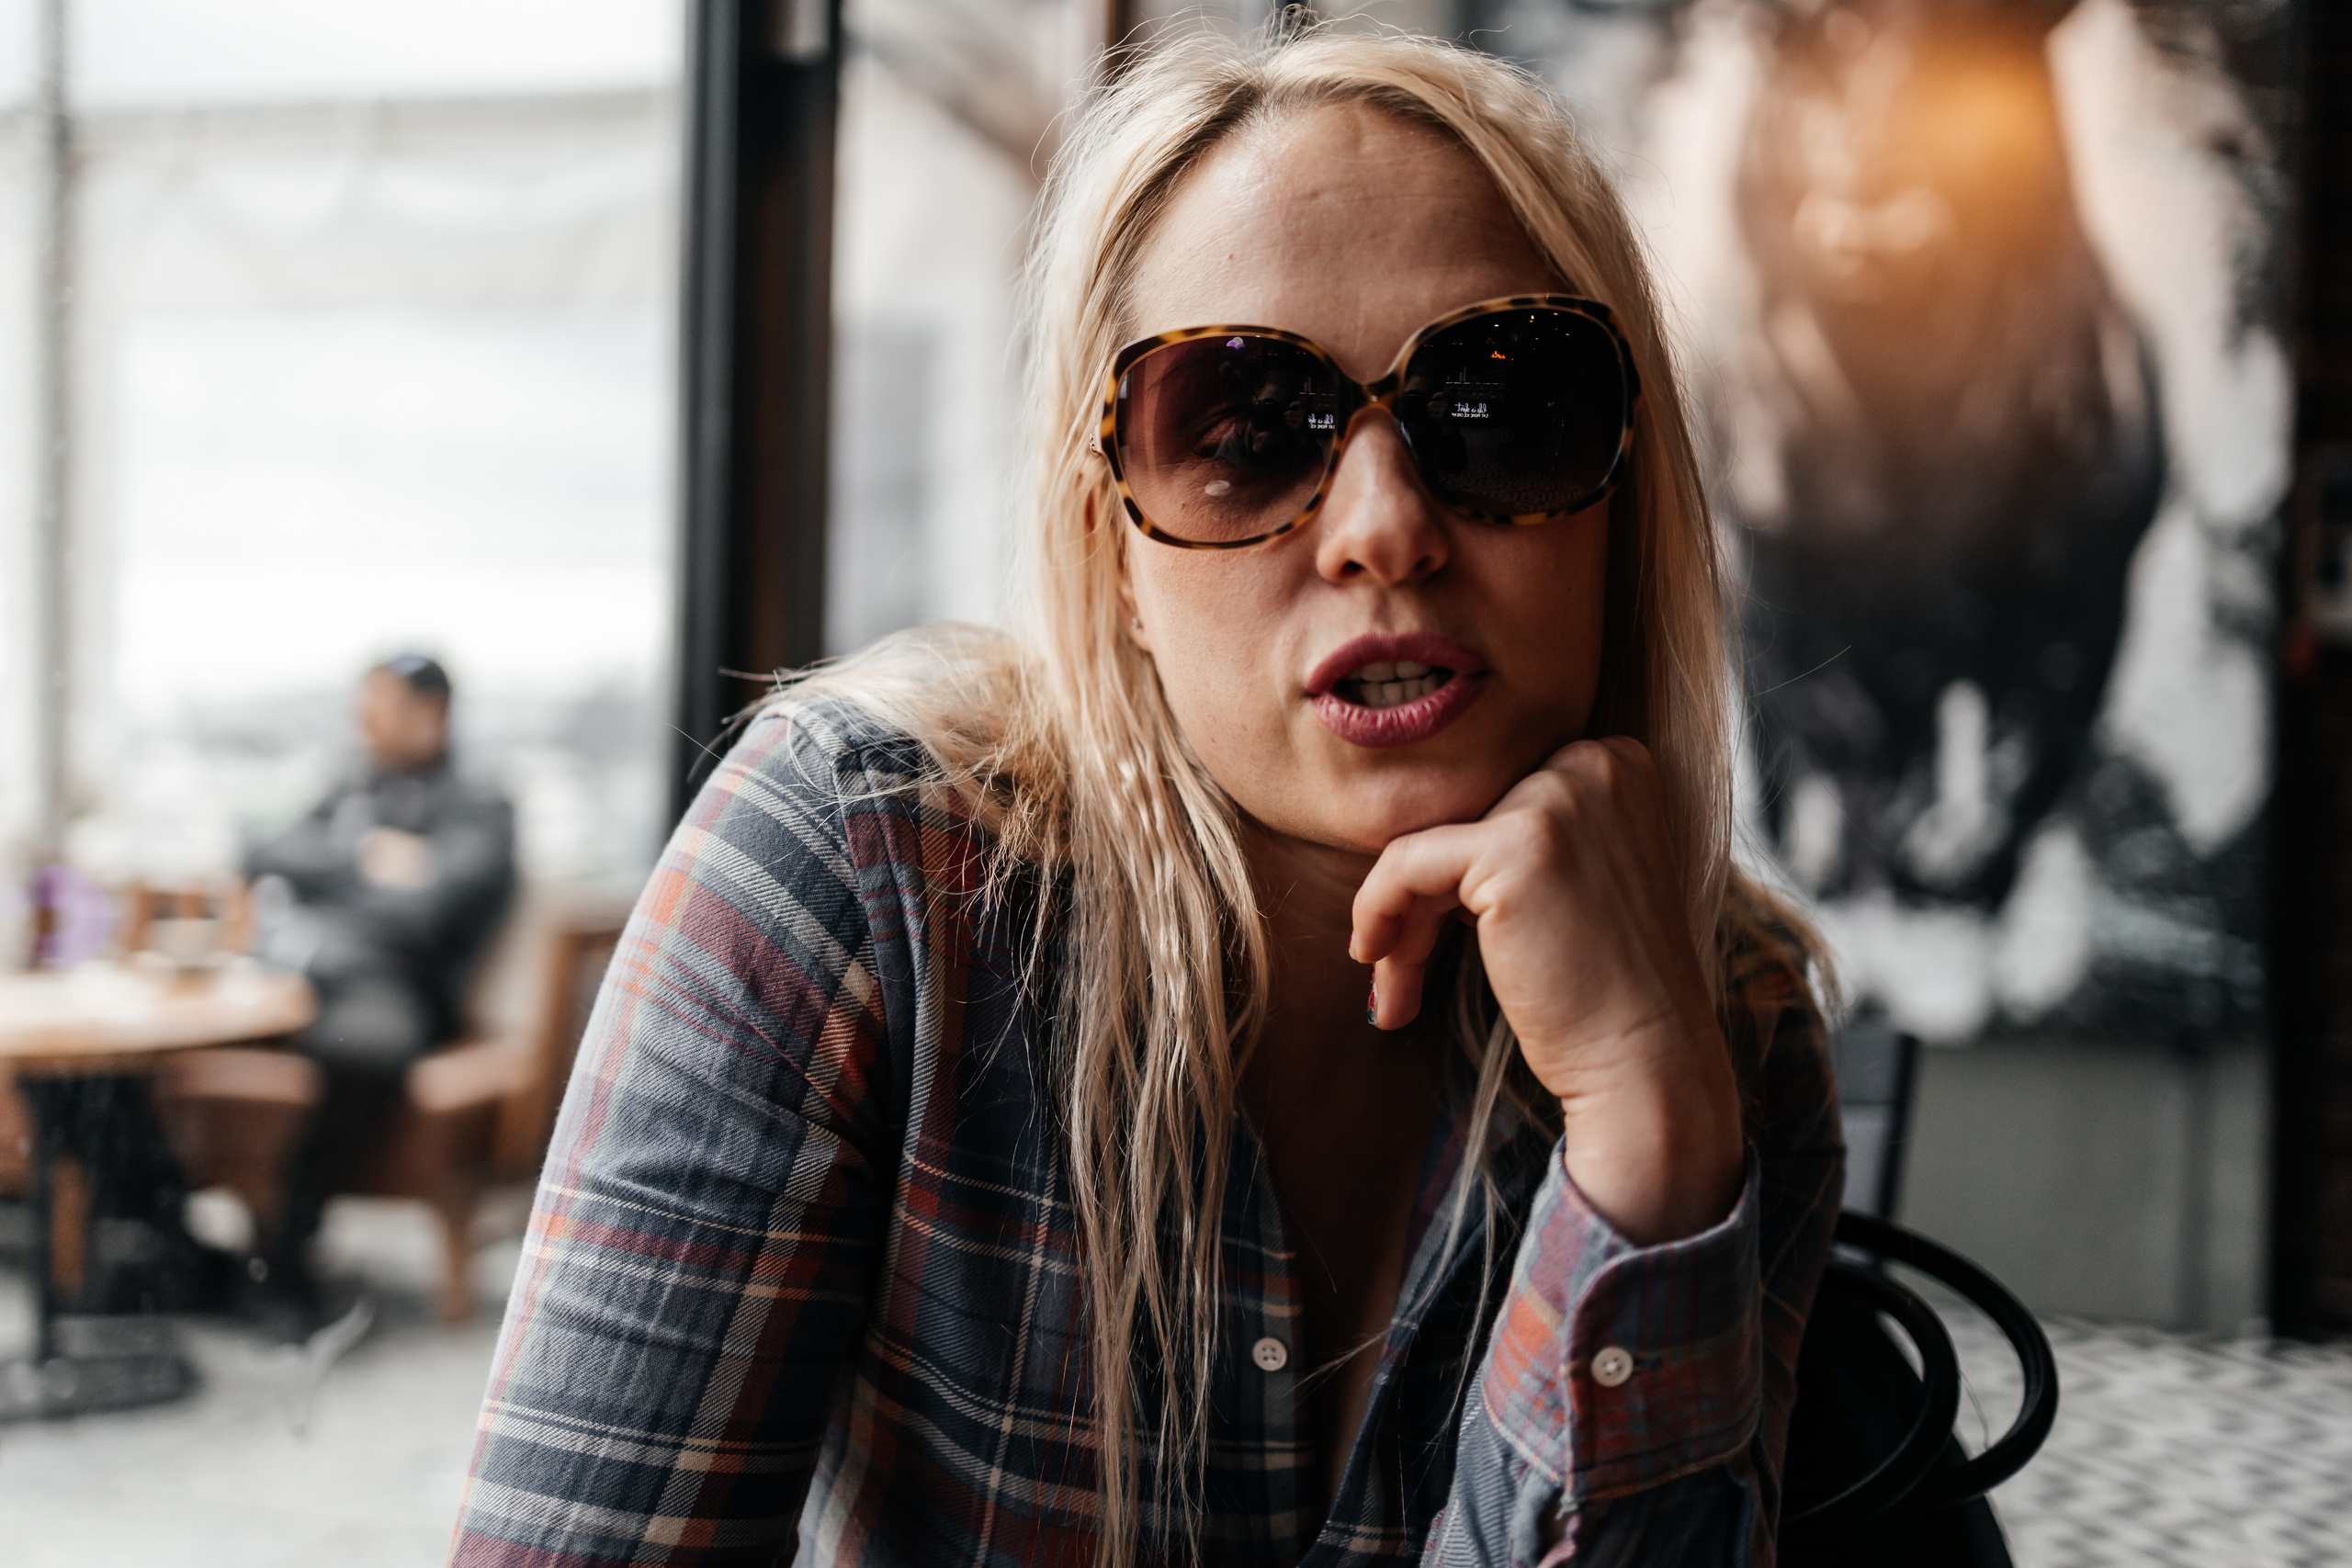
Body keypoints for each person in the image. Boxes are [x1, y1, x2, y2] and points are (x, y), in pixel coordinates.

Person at [453, 31, 1841, 1568]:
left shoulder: (1722, 1018)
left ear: (1618, 497)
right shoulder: (860, 875)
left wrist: (1645, 1128)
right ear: (1109, 547)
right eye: (1245, 434)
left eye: (1501, 412)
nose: (1383, 530)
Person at [247, 653, 514, 1306]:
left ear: (431, 714)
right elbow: (261, 850)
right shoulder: (353, 786)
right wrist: (367, 857)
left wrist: (342, 876)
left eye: (381, 707)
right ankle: (166, 1243)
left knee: (357, 1048)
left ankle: (284, 1248)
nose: (363, 722)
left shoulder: (480, 803)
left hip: (400, 991)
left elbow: (426, 913)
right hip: (308, 972)